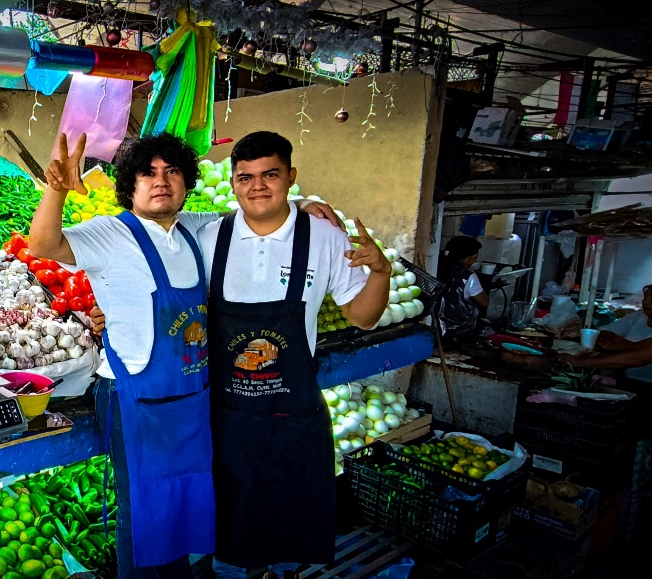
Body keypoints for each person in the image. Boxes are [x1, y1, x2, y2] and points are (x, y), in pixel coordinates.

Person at [28, 132, 340, 579]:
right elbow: (42, 245)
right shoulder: (109, 233)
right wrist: (56, 190)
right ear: (129, 185)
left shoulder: (199, 229)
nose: (161, 181)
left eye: (172, 171)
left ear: (186, 181)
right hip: (135, 396)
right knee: (143, 506)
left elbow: (259, 209)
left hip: (193, 395)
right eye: (147, 173)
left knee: (191, 497)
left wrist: (305, 207)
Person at [199, 131, 390, 576]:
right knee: (229, 538)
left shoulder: (323, 238)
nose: (257, 186)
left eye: (270, 174)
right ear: (232, 183)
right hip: (224, 417)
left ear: (291, 177)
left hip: (293, 419)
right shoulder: (210, 238)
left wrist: (381, 273)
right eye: (245, 177)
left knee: (288, 531)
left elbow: (363, 317)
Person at [561, 285, 652, 388]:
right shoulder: (639, 316)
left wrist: (575, 362)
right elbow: (603, 332)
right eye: (645, 296)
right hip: (629, 380)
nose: (646, 302)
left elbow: (636, 358)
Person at [436, 236, 488, 338]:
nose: (474, 261)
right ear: (465, 258)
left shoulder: (435, 267)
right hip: (459, 331)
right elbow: (484, 302)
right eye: (474, 258)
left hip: (436, 327)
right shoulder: (469, 277)